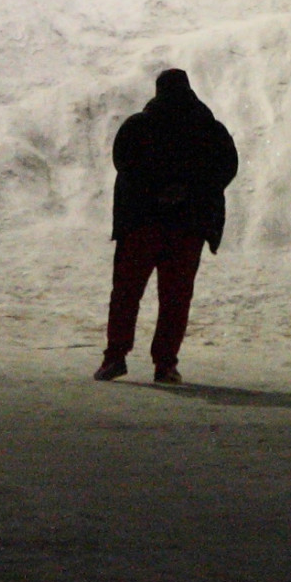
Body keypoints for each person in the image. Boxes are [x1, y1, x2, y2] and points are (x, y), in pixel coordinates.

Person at [96, 67, 240, 385]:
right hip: (188, 228)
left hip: (141, 224)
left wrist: (155, 192)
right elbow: (226, 168)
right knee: (175, 298)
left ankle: (115, 358)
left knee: (126, 293)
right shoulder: (209, 128)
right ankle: (165, 364)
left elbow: (124, 163)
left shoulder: (139, 126)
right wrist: (188, 191)